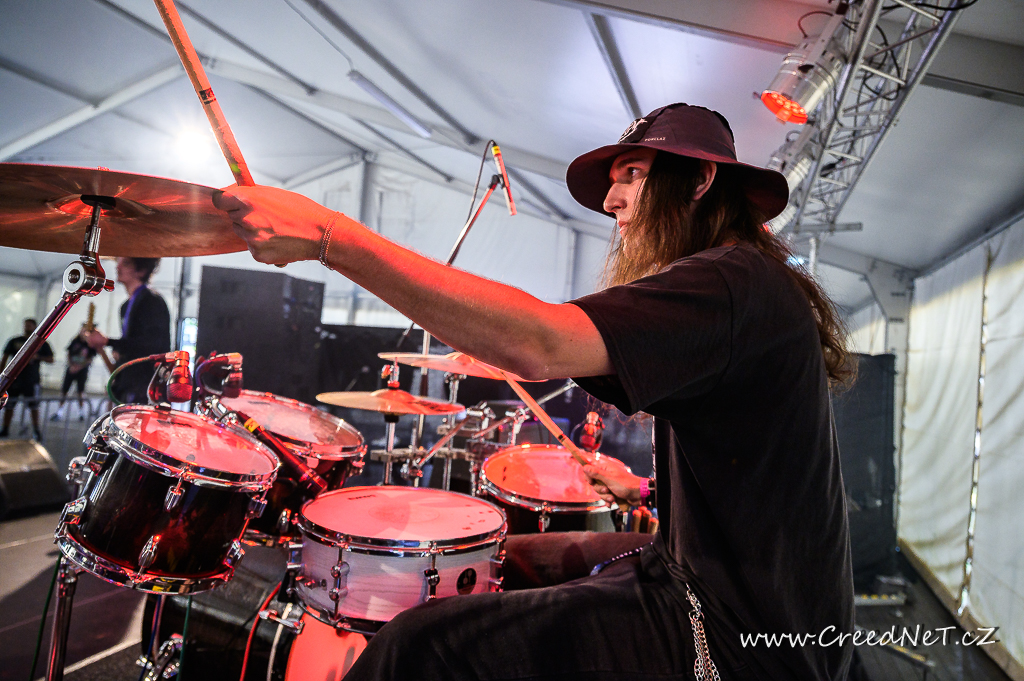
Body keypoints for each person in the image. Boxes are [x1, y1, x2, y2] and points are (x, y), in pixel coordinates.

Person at [216, 103, 854, 680]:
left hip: (736, 633)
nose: (611, 202)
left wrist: (330, 237)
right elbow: (749, 471)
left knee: (422, 644)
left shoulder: (730, 281)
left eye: (632, 175)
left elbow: (541, 343)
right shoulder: (745, 283)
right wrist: (642, 491)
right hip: (698, 573)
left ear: (698, 181)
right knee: (488, 563)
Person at [86, 257, 171, 404]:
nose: (117, 267)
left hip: (146, 387)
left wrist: (109, 341)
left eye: (125, 263)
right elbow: (132, 344)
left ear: (141, 270)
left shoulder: (152, 301)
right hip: (128, 385)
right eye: (117, 263)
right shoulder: (126, 306)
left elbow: (153, 345)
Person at [1, 318, 55, 441]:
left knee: (34, 406)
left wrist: (38, 357)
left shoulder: (41, 342)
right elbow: (4, 357)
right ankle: (5, 428)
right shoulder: (14, 341)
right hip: (14, 380)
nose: (27, 327)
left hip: (32, 380)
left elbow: (51, 359)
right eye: (25, 325)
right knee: (9, 405)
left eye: (29, 325)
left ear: (35, 326)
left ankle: (36, 430)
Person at [52, 325, 97, 420]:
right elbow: (68, 354)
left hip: (82, 371)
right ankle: (59, 411)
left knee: (80, 391)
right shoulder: (75, 341)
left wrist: (79, 367)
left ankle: (81, 412)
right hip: (71, 369)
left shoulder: (90, 344)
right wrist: (71, 366)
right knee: (65, 390)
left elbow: (90, 359)